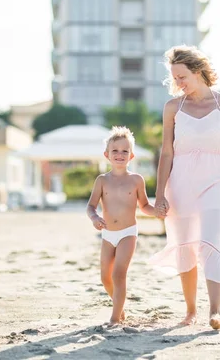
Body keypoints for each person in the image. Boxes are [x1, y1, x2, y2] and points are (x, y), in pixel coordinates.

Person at [150, 45, 220, 330]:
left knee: (211, 241)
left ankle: (215, 310)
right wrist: (159, 193)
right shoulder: (173, 108)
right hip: (181, 181)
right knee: (185, 246)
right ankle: (190, 311)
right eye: (174, 78)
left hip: (215, 180)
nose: (178, 84)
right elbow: (166, 153)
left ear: (198, 71)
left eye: (182, 77)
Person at [86, 126, 157, 326]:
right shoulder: (102, 181)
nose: (119, 154)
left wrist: (157, 212)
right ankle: (120, 305)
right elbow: (90, 206)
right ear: (106, 154)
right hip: (108, 234)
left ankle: (115, 318)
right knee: (105, 278)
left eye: (124, 151)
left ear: (131, 155)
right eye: (115, 151)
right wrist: (94, 218)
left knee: (119, 273)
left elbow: (144, 206)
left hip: (128, 233)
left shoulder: (136, 180)